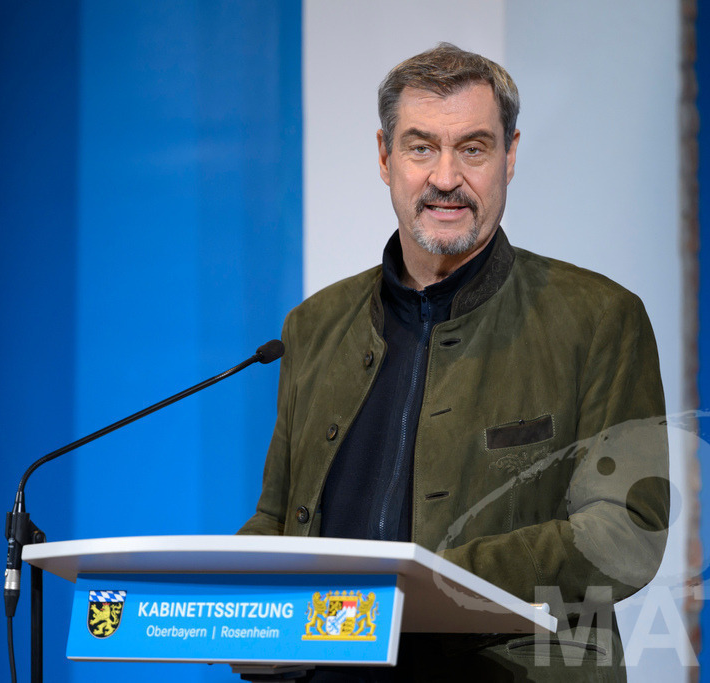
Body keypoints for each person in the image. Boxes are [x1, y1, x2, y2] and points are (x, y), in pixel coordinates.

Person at [239, 43, 669, 682]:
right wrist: (225, 600)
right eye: (421, 148)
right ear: (384, 157)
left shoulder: (600, 318)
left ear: (510, 156)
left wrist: (437, 584)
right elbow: (276, 520)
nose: (445, 177)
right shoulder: (313, 326)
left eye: (473, 148)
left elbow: (628, 530)